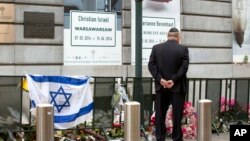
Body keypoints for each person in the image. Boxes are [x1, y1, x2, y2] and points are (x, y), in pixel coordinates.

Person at [148, 27, 189, 141]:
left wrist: (161, 80)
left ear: (168, 36)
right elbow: (184, 68)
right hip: (177, 87)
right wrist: (173, 80)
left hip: (161, 87)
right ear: (178, 37)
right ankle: (176, 138)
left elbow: (151, 66)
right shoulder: (183, 49)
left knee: (160, 114)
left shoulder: (156, 48)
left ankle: (160, 138)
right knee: (177, 115)